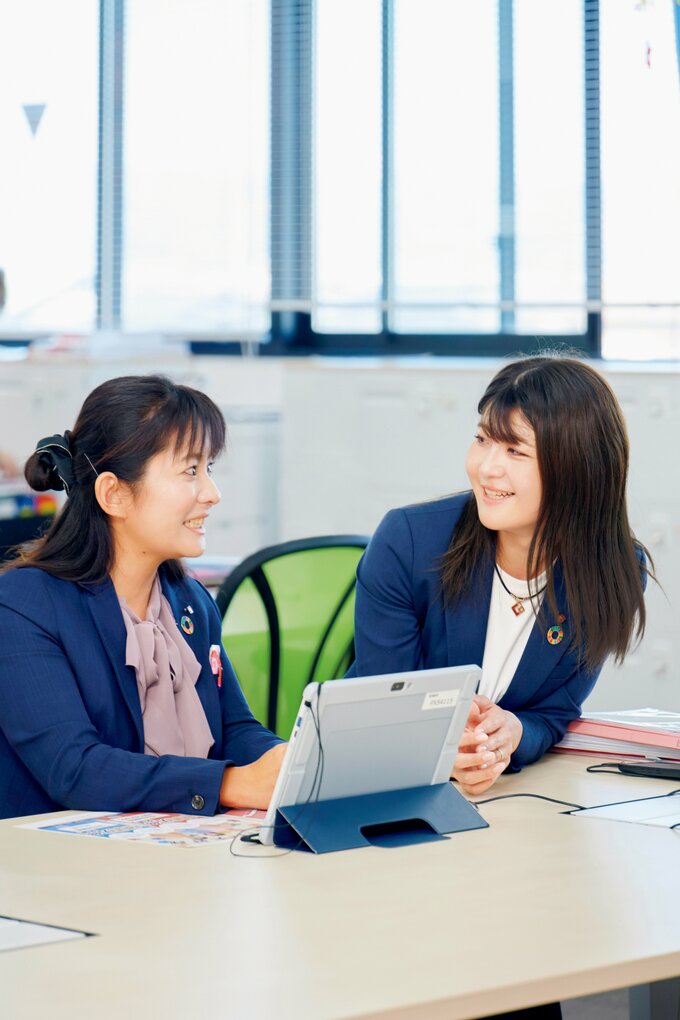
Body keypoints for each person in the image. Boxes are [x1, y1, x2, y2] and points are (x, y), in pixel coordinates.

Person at [349, 355, 650, 800]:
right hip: (377, 785)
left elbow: (553, 713)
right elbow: (381, 706)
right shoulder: (409, 541)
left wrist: (513, 733)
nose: (487, 468)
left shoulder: (614, 570)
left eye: (515, 451)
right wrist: (442, 751)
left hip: (497, 800)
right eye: (483, 440)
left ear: (577, 468)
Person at [0, 375, 286, 820]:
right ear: (114, 493)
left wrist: (292, 763)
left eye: (208, 469)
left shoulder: (188, 599)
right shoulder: (23, 606)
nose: (212, 494)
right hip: (59, 873)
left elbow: (233, 729)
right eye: (190, 471)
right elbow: (75, 769)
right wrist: (231, 783)